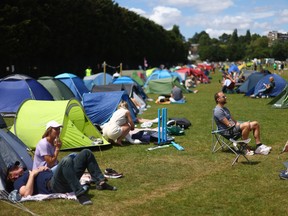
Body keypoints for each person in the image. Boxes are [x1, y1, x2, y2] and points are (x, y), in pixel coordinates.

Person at [7, 149, 117, 205]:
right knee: (66, 160)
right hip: (53, 185)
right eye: (15, 168)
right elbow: (26, 193)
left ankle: (100, 182)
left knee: (86, 153)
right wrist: (33, 175)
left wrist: (42, 169)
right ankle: (80, 194)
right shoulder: (17, 182)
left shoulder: (27, 172)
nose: (18, 166)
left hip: (60, 178)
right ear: (12, 176)